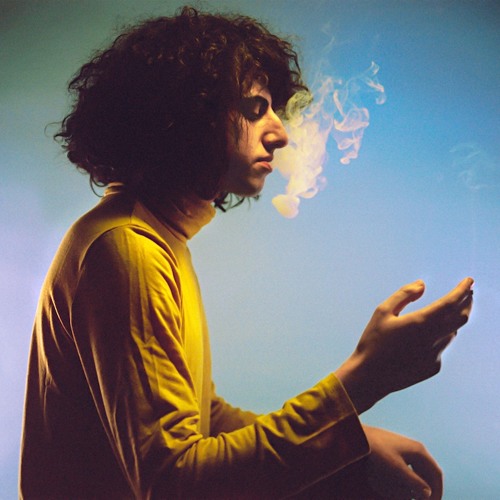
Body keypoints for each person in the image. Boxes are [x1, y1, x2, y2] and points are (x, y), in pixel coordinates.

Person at [19, 6, 474, 499]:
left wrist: (351, 444)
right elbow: (175, 482)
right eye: (256, 109)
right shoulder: (128, 249)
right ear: (187, 116)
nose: (280, 134)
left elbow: (205, 420)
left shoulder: (154, 239)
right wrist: (363, 379)